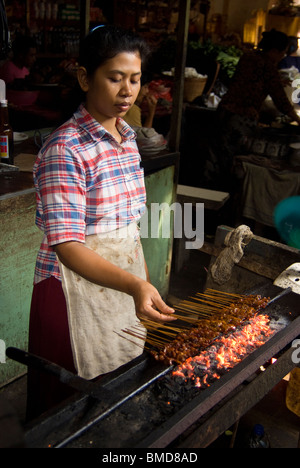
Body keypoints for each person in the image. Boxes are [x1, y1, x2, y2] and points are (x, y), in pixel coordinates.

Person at [27, 25, 176, 420]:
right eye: (114, 78)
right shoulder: (65, 148)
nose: (127, 90)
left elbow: (128, 232)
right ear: (84, 77)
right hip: (69, 294)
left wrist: (142, 283)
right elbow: (68, 245)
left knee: (117, 395)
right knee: (69, 412)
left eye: (134, 79)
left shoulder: (128, 140)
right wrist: (133, 284)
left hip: (120, 288)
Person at [206, 29, 300, 191]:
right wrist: (297, 119)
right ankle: (224, 197)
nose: (282, 57)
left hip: (224, 112)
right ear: (274, 51)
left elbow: (251, 84)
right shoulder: (267, 67)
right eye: (282, 53)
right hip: (239, 119)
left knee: (215, 158)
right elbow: (280, 100)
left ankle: (210, 194)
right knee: (231, 162)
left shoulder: (248, 57)